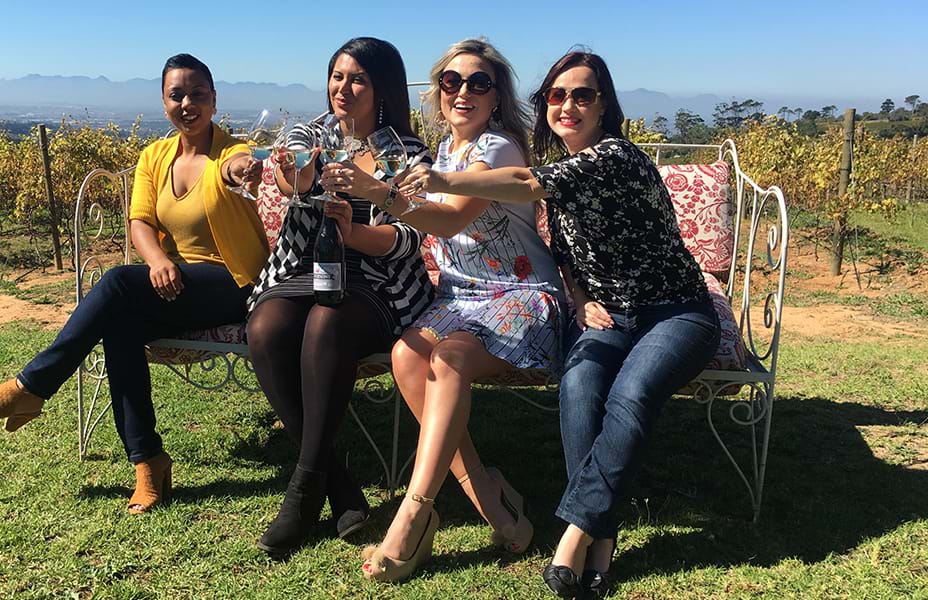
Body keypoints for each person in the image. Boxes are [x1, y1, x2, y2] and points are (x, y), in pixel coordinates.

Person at [395, 50, 721, 598]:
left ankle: (579, 533)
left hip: (675, 311)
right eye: (557, 94)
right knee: (578, 386)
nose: (568, 105)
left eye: (582, 95)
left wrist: (441, 177)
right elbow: (566, 256)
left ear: (604, 105)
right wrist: (580, 298)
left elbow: (525, 181)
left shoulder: (613, 156)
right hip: (609, 314)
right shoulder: (564, 180)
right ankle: (598, 528)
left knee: (632, 392)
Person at [0, 53, 268, 515]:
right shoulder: (154, 157)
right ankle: (148, 463)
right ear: (164, 102)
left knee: (119, 282)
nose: (187, 103)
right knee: (120, 323)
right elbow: (139, 222)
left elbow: (238, 166)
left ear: (214, 99)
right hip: (176, 285)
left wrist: (240, 170)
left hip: (233, 283)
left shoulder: (232, 151)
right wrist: (158, 260)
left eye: (197, 94)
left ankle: (30, 388)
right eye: (176, 95)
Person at [324, 38, 568, 582]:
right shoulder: (443, 151)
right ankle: (486, 490)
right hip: (460, 296)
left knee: (448, 360)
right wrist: (355, 223)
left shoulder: (498, 148)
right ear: (438, 91)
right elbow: (418, 214)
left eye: (479, 83)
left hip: (519, 294)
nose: (463, 92)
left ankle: (414, 513)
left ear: (496, 96)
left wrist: (374, 190)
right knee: (406, 356)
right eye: (452, 82)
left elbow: (449, 218)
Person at [245, 37, 434, 556]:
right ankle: (338, 483)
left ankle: (304, 491)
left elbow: (408, 238)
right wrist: (296, 172)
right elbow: (293, 173)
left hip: (378, 279)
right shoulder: (314, 133)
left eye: (358, 79)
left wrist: (354, 232)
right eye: (337, 76)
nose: (343, 88)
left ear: (382, 89)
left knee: (325, 321)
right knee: (266, 327)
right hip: (305, 268)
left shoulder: (404, 153)